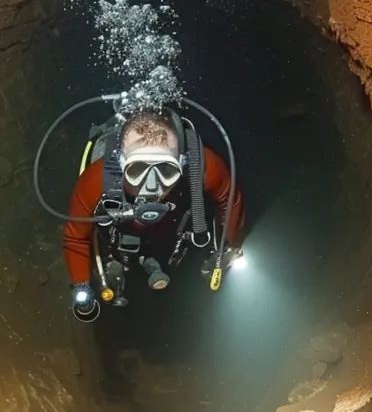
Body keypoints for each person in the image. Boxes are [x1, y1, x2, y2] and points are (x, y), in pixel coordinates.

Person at [63, 112, 245, 308]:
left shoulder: (205, 169)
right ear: (121, 164)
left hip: (174, 242)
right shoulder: (95, 181)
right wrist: (82, 286)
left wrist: (227, 249)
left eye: (166, 171)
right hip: (122, 245)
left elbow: (230, 202)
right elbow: (76, 236)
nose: (151, 186)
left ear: (181, 164)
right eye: (137, 170)